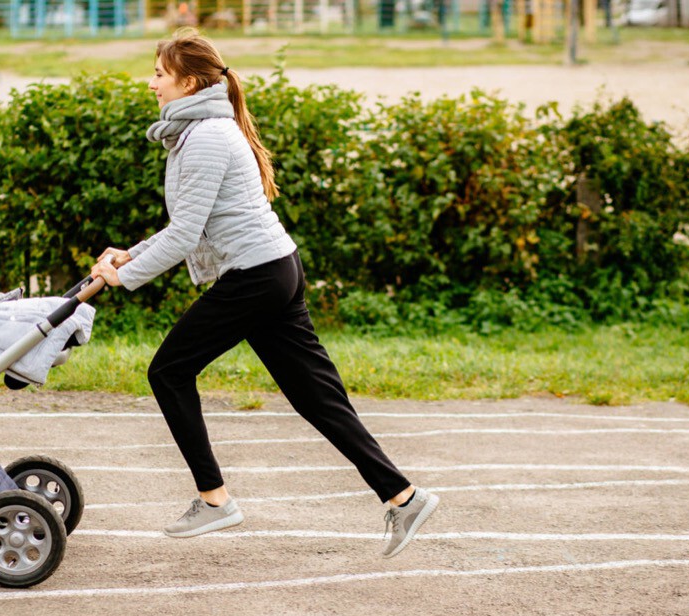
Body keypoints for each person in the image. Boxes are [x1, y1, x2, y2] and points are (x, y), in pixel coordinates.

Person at [89, 29, 439, 558]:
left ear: (187, 81)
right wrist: (130, 254)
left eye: (159, 73)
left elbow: (186, 233)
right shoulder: (201, 128)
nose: (151, 82)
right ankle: (403, 496)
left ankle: (214, 501)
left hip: (255, 276)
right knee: (317, 398)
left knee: (168, 370)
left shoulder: (206, 135)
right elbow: (190, 225)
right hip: (274, 268)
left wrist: (125, 274)